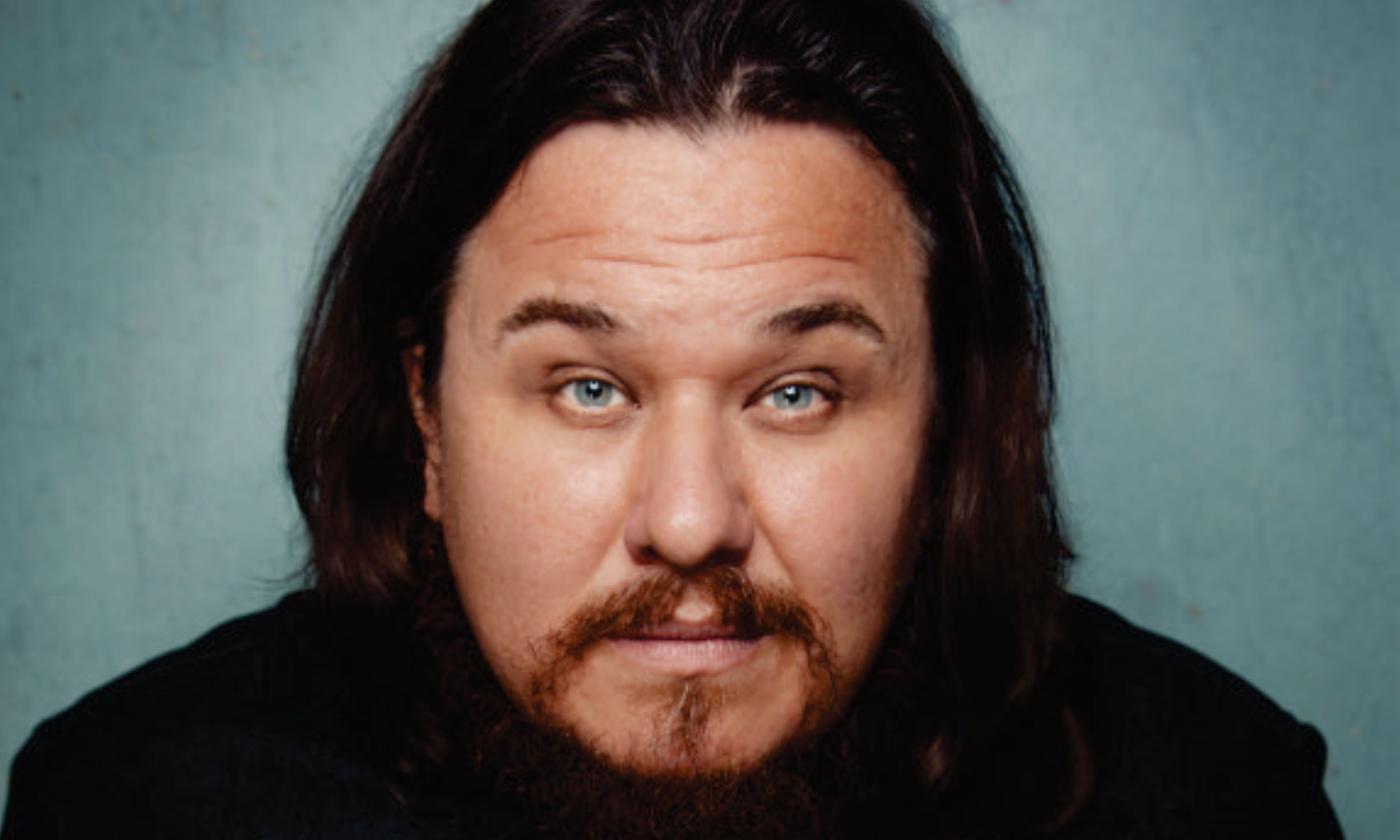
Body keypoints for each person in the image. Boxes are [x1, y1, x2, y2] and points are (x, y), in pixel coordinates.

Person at [1, 0, 1343, 837]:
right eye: (588, 389)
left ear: (944, 429)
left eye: (796, 392)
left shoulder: (1211, 792)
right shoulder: (140, 801)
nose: (692, 521)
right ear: (424, 412)